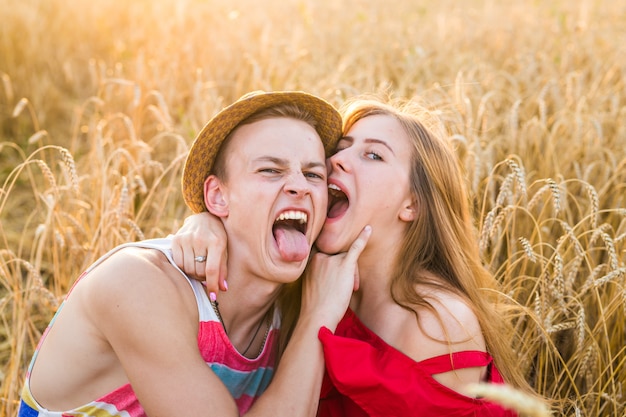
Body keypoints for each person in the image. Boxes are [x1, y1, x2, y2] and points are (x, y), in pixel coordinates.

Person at [172, 94, 541, 416]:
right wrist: (206, 222)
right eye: (341, 148)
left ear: (412, 203)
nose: (338, 161)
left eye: (373, 155)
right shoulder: (304, 271)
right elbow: (255, 215)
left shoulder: (436, 323)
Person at [17, 90, 372, 417]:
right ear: (217, 197)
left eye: (313, 174)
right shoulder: (138, 282)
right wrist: (317, 319)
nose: (299, 185)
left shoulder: (304, 291)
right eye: (270, 170)